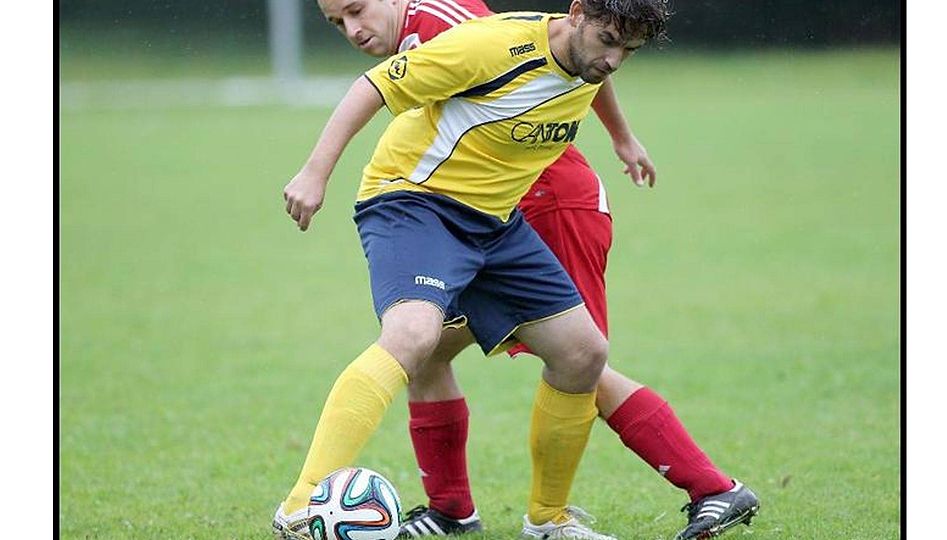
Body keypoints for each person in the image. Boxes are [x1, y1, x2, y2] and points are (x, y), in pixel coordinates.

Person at [274, 1, 755, 539]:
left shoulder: (588, 52)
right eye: (608, 42)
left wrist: (621, 136)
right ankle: (300, 505)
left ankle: (546, 520)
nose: (615, 60)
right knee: (414, 335)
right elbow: (374, 86)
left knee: (583, 352)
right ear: (576, 14)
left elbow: (591, 73)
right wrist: (314, 174)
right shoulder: (488, 44)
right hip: (415, 202)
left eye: (630, 51)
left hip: (497, 221)